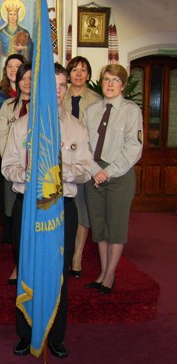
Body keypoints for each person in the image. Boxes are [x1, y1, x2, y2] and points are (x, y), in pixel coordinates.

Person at [2, 63, 92, 358]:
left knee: (59, 274)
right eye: (50, 85)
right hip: (28, 209)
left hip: (62, 209)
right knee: (27, 268)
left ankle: (55, 334)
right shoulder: (20, 126)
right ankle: (26, 333)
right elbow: (7, 167)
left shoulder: (76, 127)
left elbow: (85, 170)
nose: (57, 91)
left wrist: (60, 171)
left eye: (62, 85)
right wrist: (31, 174)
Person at [84, 64, 143, 294]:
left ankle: (110, 275)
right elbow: (84, 145)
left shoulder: (131, 111)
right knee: (99, 227)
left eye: (115, 80)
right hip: (94, 174)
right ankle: (102, 272)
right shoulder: (91, 111)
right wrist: (94, 170)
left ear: (123, 85)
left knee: (115, 227)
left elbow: (133, 148)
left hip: (119, 176)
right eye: (106, 79)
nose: (110, 84)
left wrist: (107, 172)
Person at [62, 56, 102, 277]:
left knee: (82, 211)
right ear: (68, 74)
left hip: (84, 160)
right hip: (62, 160)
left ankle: (76, 258)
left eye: (83, 70)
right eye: (74, 69)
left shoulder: (96, 100)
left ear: (88, 75)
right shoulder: (60, 96)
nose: (78, 74)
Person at [0, 62, 31, 283]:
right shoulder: (8, 105)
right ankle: (18, 266)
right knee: (16, 218)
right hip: (14, 170)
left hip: (38, 174)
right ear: (16, 81)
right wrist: (12, 164)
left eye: (30, 78)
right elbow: (1, 136)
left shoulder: (44, 106)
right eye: (22, 78)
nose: (26, 82)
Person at [0, 0, 33, 71]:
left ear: (17, 16)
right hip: (5, 62)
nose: (12, 16)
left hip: (20, 64)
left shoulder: (24, 32)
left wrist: (24, 48)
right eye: (10, 14)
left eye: (14, 14)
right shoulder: (1, 33)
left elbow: (31, 47)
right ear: (7, 16)